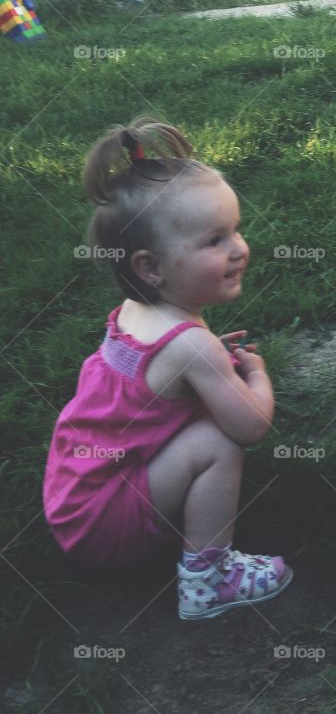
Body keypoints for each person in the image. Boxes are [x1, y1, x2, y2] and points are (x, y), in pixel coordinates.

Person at [43, 117, 293, 620]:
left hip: (74, 500)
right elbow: (252, 426)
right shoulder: (190, 346)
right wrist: (257, 376)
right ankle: (208, 578)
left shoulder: (134, 315)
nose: (239, 248)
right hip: (106, 524)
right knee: (218, 441)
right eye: (214, 241)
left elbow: (151, 383)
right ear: (150, 267)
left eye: (235, 230)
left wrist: (203, 363)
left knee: (203, 422)